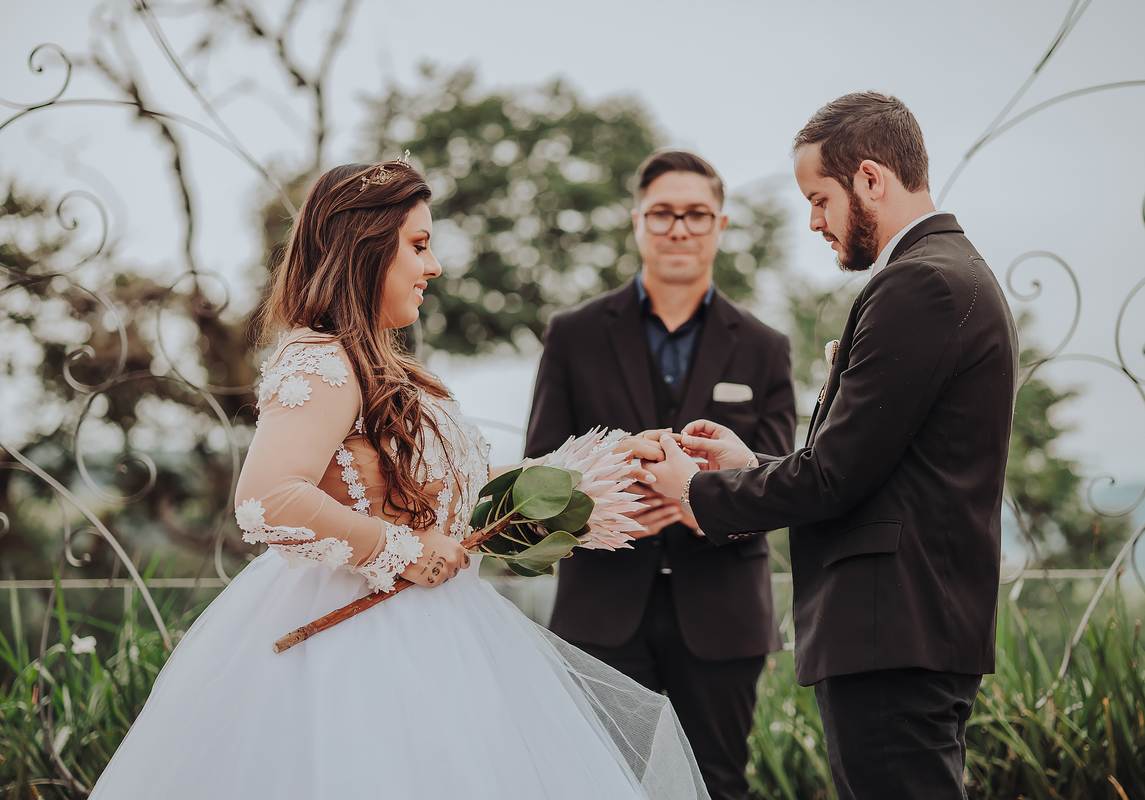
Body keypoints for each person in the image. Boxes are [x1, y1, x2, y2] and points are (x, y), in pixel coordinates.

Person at [90, 160, 710, 800]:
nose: (433, 266)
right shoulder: (321, 361)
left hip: (442, 634)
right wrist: (405, 552)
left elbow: (449, 490)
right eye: (418, 245)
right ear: (363, 250)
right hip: (354, 647)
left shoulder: (384, 366)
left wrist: (605, 463)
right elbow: (268, 498)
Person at [644, 94, 1019, 800]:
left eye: (820, 199)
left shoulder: (922, 285)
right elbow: (872, 466)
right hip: (904, 629)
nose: (814, 221)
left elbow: (834, 476)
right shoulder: (943, 275)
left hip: (892, 630)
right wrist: (752, 466)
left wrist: (692, 493)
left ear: (871, 179)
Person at [525, 150, 796, 800]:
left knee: (718, 785)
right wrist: (610, 491)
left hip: (723, 612)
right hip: (601, 609)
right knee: (600, 784)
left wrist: (701, 501)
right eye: (664, 213)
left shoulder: (764, 345)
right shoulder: (574, 334)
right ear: (637, 222)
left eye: (696, 214)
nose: (680, 228)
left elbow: (781, 479)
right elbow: (539, 470)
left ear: (721, 225)